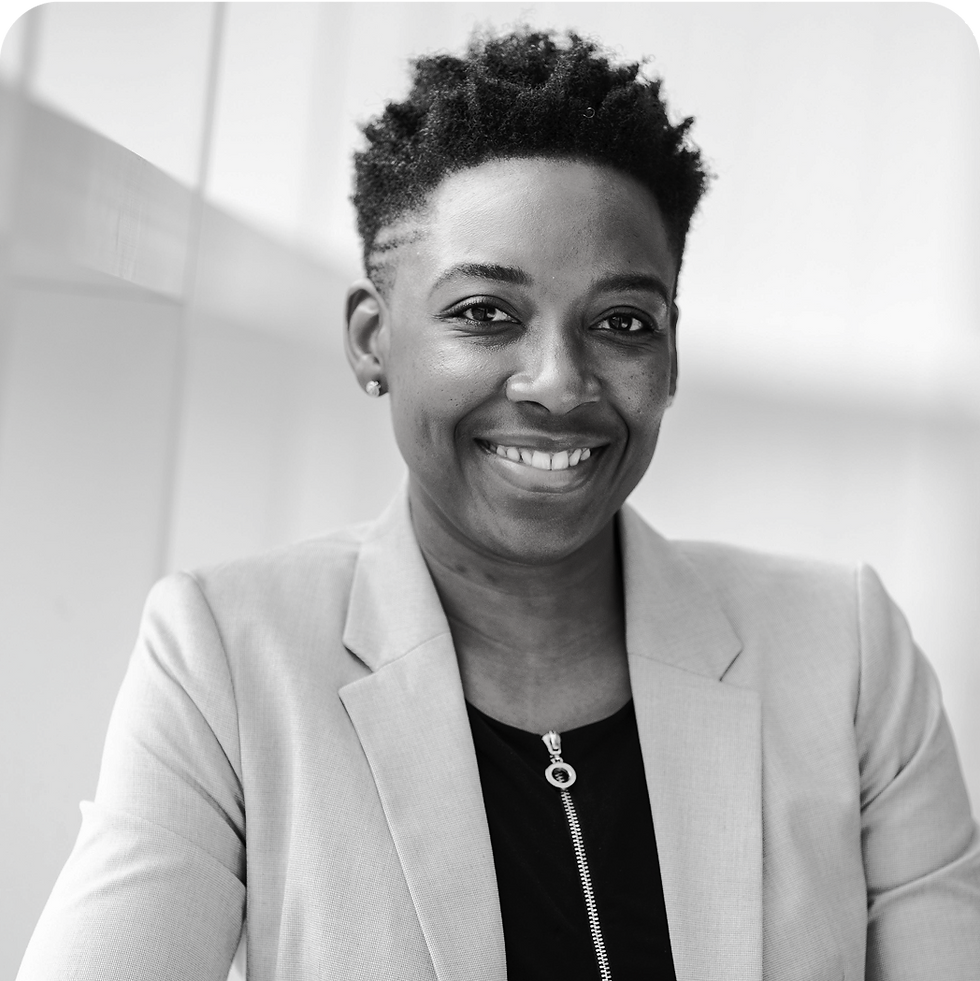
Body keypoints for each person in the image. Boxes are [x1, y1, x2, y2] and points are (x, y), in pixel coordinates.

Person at [18, 27, 980, 981]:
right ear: (371, 339)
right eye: (485, 312)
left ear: (671, 357)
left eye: (622, 322)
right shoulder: (229, 654)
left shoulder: (846, 653)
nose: (559, 384)